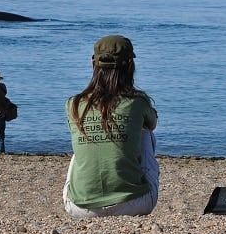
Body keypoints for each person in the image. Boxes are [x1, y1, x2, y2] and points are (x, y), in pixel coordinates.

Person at [63, 35, 159, 218]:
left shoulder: (73, 103)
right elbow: (152, 124)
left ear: (94, 64)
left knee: (82, 138)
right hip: (133, 204)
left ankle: (89, 190)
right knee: (145, 132)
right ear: (130, 65)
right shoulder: (137, 101)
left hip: (79, 208)